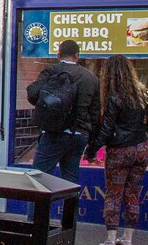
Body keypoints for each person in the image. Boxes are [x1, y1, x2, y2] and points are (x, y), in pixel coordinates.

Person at [93, 55, 148, 245]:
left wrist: (92, 148)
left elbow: (106, 128)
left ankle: (111, 239)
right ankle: (128, 238)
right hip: (141, 147)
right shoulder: (141, 92)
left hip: (120, 150)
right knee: (132, 193)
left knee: (113, 194)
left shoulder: (113, 96)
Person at [26, 40, 99, 182]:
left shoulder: (51, 71)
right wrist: (92, 142)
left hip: (53, 133)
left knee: (37, 181)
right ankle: (71, 204)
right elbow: (95, 113)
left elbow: (33, 93)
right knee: (71, 183)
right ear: (77, 56)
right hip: (78, 134)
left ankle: (39, 205)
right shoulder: (92, 79)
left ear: (58, 55)